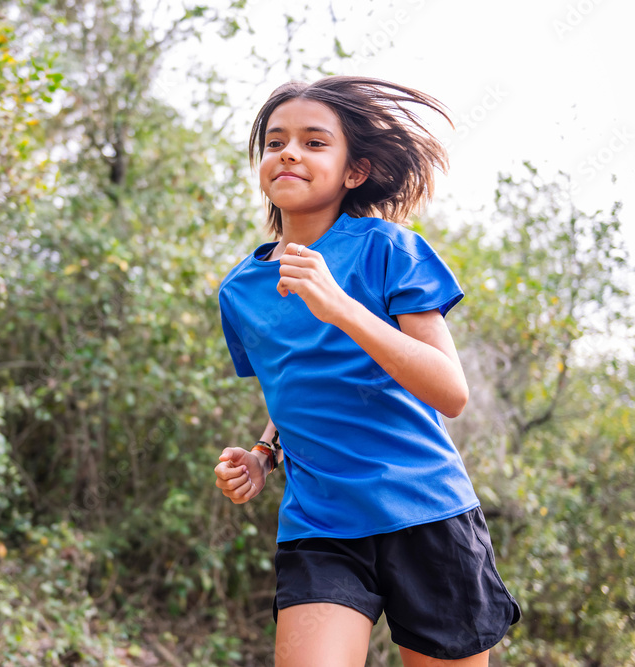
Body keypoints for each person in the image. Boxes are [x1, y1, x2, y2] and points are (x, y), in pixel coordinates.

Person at [213, 76, 521, 666]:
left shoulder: (390, 250)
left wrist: (341, 307)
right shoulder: (241, 290)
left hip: (425, 511)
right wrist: (263, 454)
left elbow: (449, 391)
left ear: (354, 172)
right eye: (275, 142)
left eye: (314, 142)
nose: (290, 153)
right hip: (319, 523)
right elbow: (296, 385)